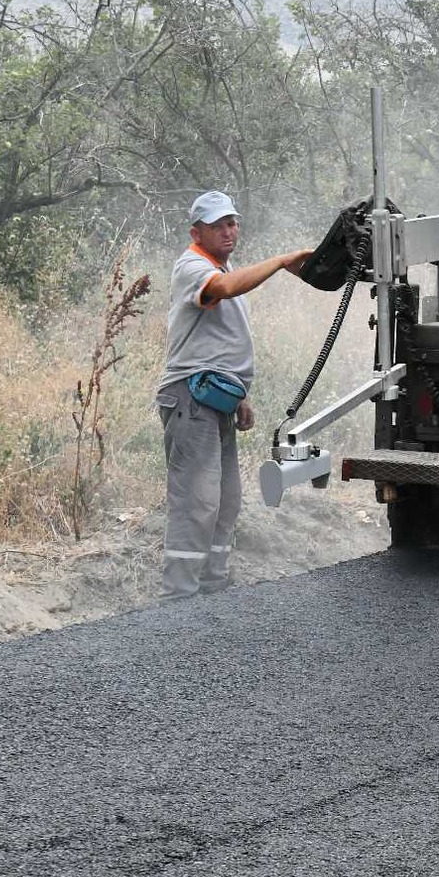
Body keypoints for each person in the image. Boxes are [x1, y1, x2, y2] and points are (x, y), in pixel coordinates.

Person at [156, 191, 309, 605]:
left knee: (225, 498)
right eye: (218, 224)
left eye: (233, 222)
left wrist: (240, 397)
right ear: (197, 231)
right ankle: (179, 599)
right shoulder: (194, 267)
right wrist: (279, 262)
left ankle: (214, 589)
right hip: (190, 398)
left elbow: (219, 340)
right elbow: (221, 289)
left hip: (215, 399)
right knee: (196, 499)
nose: (228, 230)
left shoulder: (223, 266)